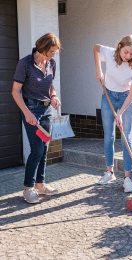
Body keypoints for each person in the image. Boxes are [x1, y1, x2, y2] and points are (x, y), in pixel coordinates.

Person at [11, 32, 61, 204]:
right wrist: (27, 113)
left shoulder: (51, 63)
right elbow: (15, 91)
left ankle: (40, 184)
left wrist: (54, 96)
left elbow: (50, 85)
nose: (54, 54)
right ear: (43, 48)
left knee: (44, 149)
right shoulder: (25, 64)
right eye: (52, 51)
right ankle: (28, 188)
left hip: (46, 110)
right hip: (30, 109)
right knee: (37, 149)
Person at [93, 34, 132, 192]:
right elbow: (95, 48)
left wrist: (120, 113)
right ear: (119, 47)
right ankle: (109, 172)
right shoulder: (109, 53)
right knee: (108, 136)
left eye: (131, 54)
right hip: (108, 95)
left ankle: (127, 178)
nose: (128, 56)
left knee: (126, 137)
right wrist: (99, 71)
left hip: (126, 98)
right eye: (125, 52)